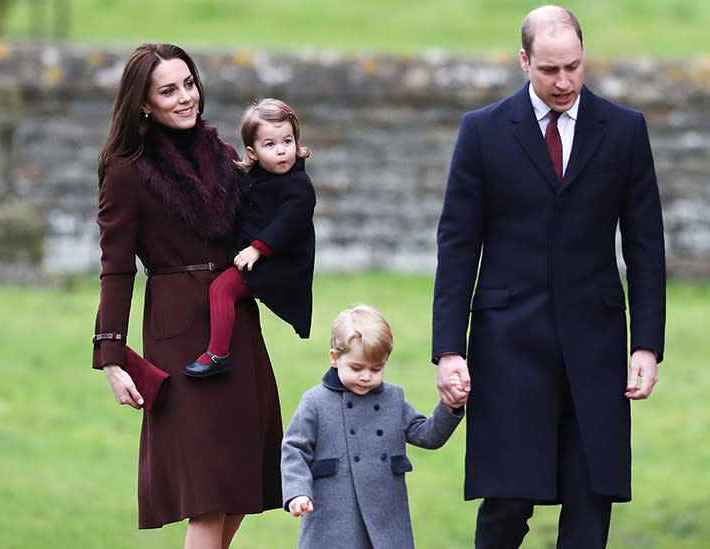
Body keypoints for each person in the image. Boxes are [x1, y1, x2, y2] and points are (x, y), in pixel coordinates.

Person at [432, 6, 666, 548]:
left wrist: (647, 345)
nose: (564, 82)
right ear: (524, 61)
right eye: (549, 70)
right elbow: (458, 245)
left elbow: (646, 245)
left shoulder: (625, 130)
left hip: (597, 347)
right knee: (506, 504)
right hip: (507, 345)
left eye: (574, 67)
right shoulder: (482, 131)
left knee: (591, 504)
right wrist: (449, 349)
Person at [92, 43, 283, 548]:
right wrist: (111, 356)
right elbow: (116, 269)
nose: (185, 98)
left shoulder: (222, 155)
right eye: (168, 90)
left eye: (189, 84)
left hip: (236, 325)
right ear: (143, 103)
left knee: (242, 486)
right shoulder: (125, 171)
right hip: (179, 339)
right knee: (207, 494)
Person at [281, 305, 467, 549]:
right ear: (334, 358)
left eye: (376, 368)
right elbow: (294, 449)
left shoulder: (393, 398)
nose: (366, 376)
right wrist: (298, 492)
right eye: (356, 368)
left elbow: (427, 435)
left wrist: (449, 406)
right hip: (333, 522)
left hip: (387, 524)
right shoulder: (315, 402)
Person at [186, 98, 316, 378]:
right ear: (252, 152)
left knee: (222, 290)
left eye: (287, 141)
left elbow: (287, 223)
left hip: (280, 264)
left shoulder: (299, 186)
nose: (281, 151)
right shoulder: (252, 179)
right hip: (253, 255)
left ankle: (218, 354)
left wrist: (257, 249)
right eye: (270, 145)